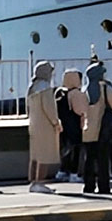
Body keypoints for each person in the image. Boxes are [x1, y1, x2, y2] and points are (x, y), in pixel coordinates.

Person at [81, 61, 112, 194]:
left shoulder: (84, 90)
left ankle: (88, 186)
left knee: (89, 159)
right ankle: (103, 186)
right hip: (102, 129)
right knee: (103, 160)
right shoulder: (106, 88)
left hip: (87, 130)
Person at [26, 61, 61, 193]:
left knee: (35, 155)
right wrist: (56, 122)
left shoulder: (32, 87)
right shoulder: (45, 87)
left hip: (34, 124)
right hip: (45, 125)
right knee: (44, 154)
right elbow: (49, 107)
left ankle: (33, 181)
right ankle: (40, 182)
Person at [55, 69, 84, 182]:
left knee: (66, 149)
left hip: (63, 124)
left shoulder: (59, 92)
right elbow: (80, 110)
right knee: (76, 149)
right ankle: (74, 173)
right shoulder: (76, 93)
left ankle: (62, 171)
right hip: (75, 124)